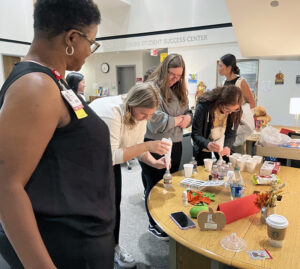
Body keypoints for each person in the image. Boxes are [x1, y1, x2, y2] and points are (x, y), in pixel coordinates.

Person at [0, 1, 115, 269]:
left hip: (80, 240)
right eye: (92, 42)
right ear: (72, 38)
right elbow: (6, 187)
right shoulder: (36, 86)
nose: (90, 51)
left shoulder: (53, 80)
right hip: (62, 248)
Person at [89, 82, 169, 268]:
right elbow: (111, 157)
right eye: (144, 113)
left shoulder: (140, 116)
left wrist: (155, 162)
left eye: (151, 114)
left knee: (114, 204)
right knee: (97, 209)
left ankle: (114, 247)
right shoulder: (112, 114)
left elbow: (137, 148)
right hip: (89, 163)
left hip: (109, 160)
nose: (146, 119)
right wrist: (148, 146)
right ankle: (97, 252)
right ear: (132, 104)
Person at [140, 53, 193, 240]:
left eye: (179, 76)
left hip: (175, 143)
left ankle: (164, 219)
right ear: (164, 70)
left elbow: (188, 111)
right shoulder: (151, 89)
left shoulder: (179, 89)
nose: (175, 79)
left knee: (168, 184)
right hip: (154, 144)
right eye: (172, 75)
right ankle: (153, 223)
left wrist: (186, 117)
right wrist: (179, 119)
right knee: (153, 185)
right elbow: (156, 122)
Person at [192, 85, 243, 165]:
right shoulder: (204, 106)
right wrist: (207, 144)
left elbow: (232, 133)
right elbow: (195, 134)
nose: (230, 113)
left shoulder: (235, 111)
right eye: (227, 109)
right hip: (203, 148)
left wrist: (227, 146)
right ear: (221, 102)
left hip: (221, 144)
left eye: (234, 110)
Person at [218, 54, 256, 148]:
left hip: (238, 122)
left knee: (236, 148)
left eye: (221, 66)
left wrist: (238, 112)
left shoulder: (241, 81)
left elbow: (252, 103)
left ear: (229, 67)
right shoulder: (223, 82)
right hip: (227, 121)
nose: (218, 68)